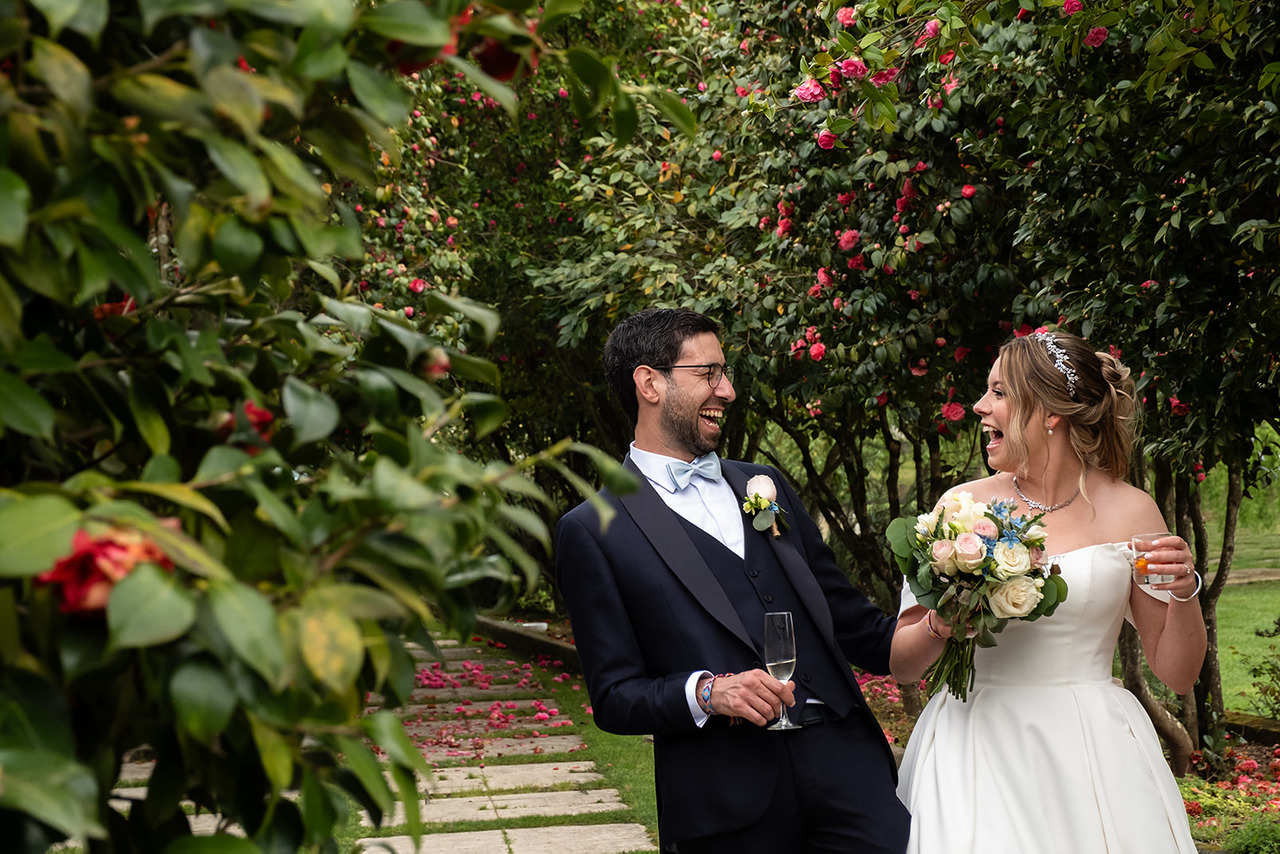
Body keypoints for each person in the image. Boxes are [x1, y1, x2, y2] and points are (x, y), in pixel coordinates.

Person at [555, 308, 909, 853]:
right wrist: (708, 692)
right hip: (726, 800)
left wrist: (948, 610)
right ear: (649, 382)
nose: (728, 390)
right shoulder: (593, 531)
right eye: (708, 374)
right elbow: (615, 697)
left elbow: (855, 625)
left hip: (848, 771)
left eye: (725, 372)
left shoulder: (766, 485)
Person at [890, 330, 1207, 853]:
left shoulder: (1132, 511)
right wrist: (943, 621)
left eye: (998, 392)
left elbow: (1176, 672)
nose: (979, 406)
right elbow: (902, 664)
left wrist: (1185, 591)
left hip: (1093, 751)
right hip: (973, 745)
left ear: (1049, 413)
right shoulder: (959, 509)